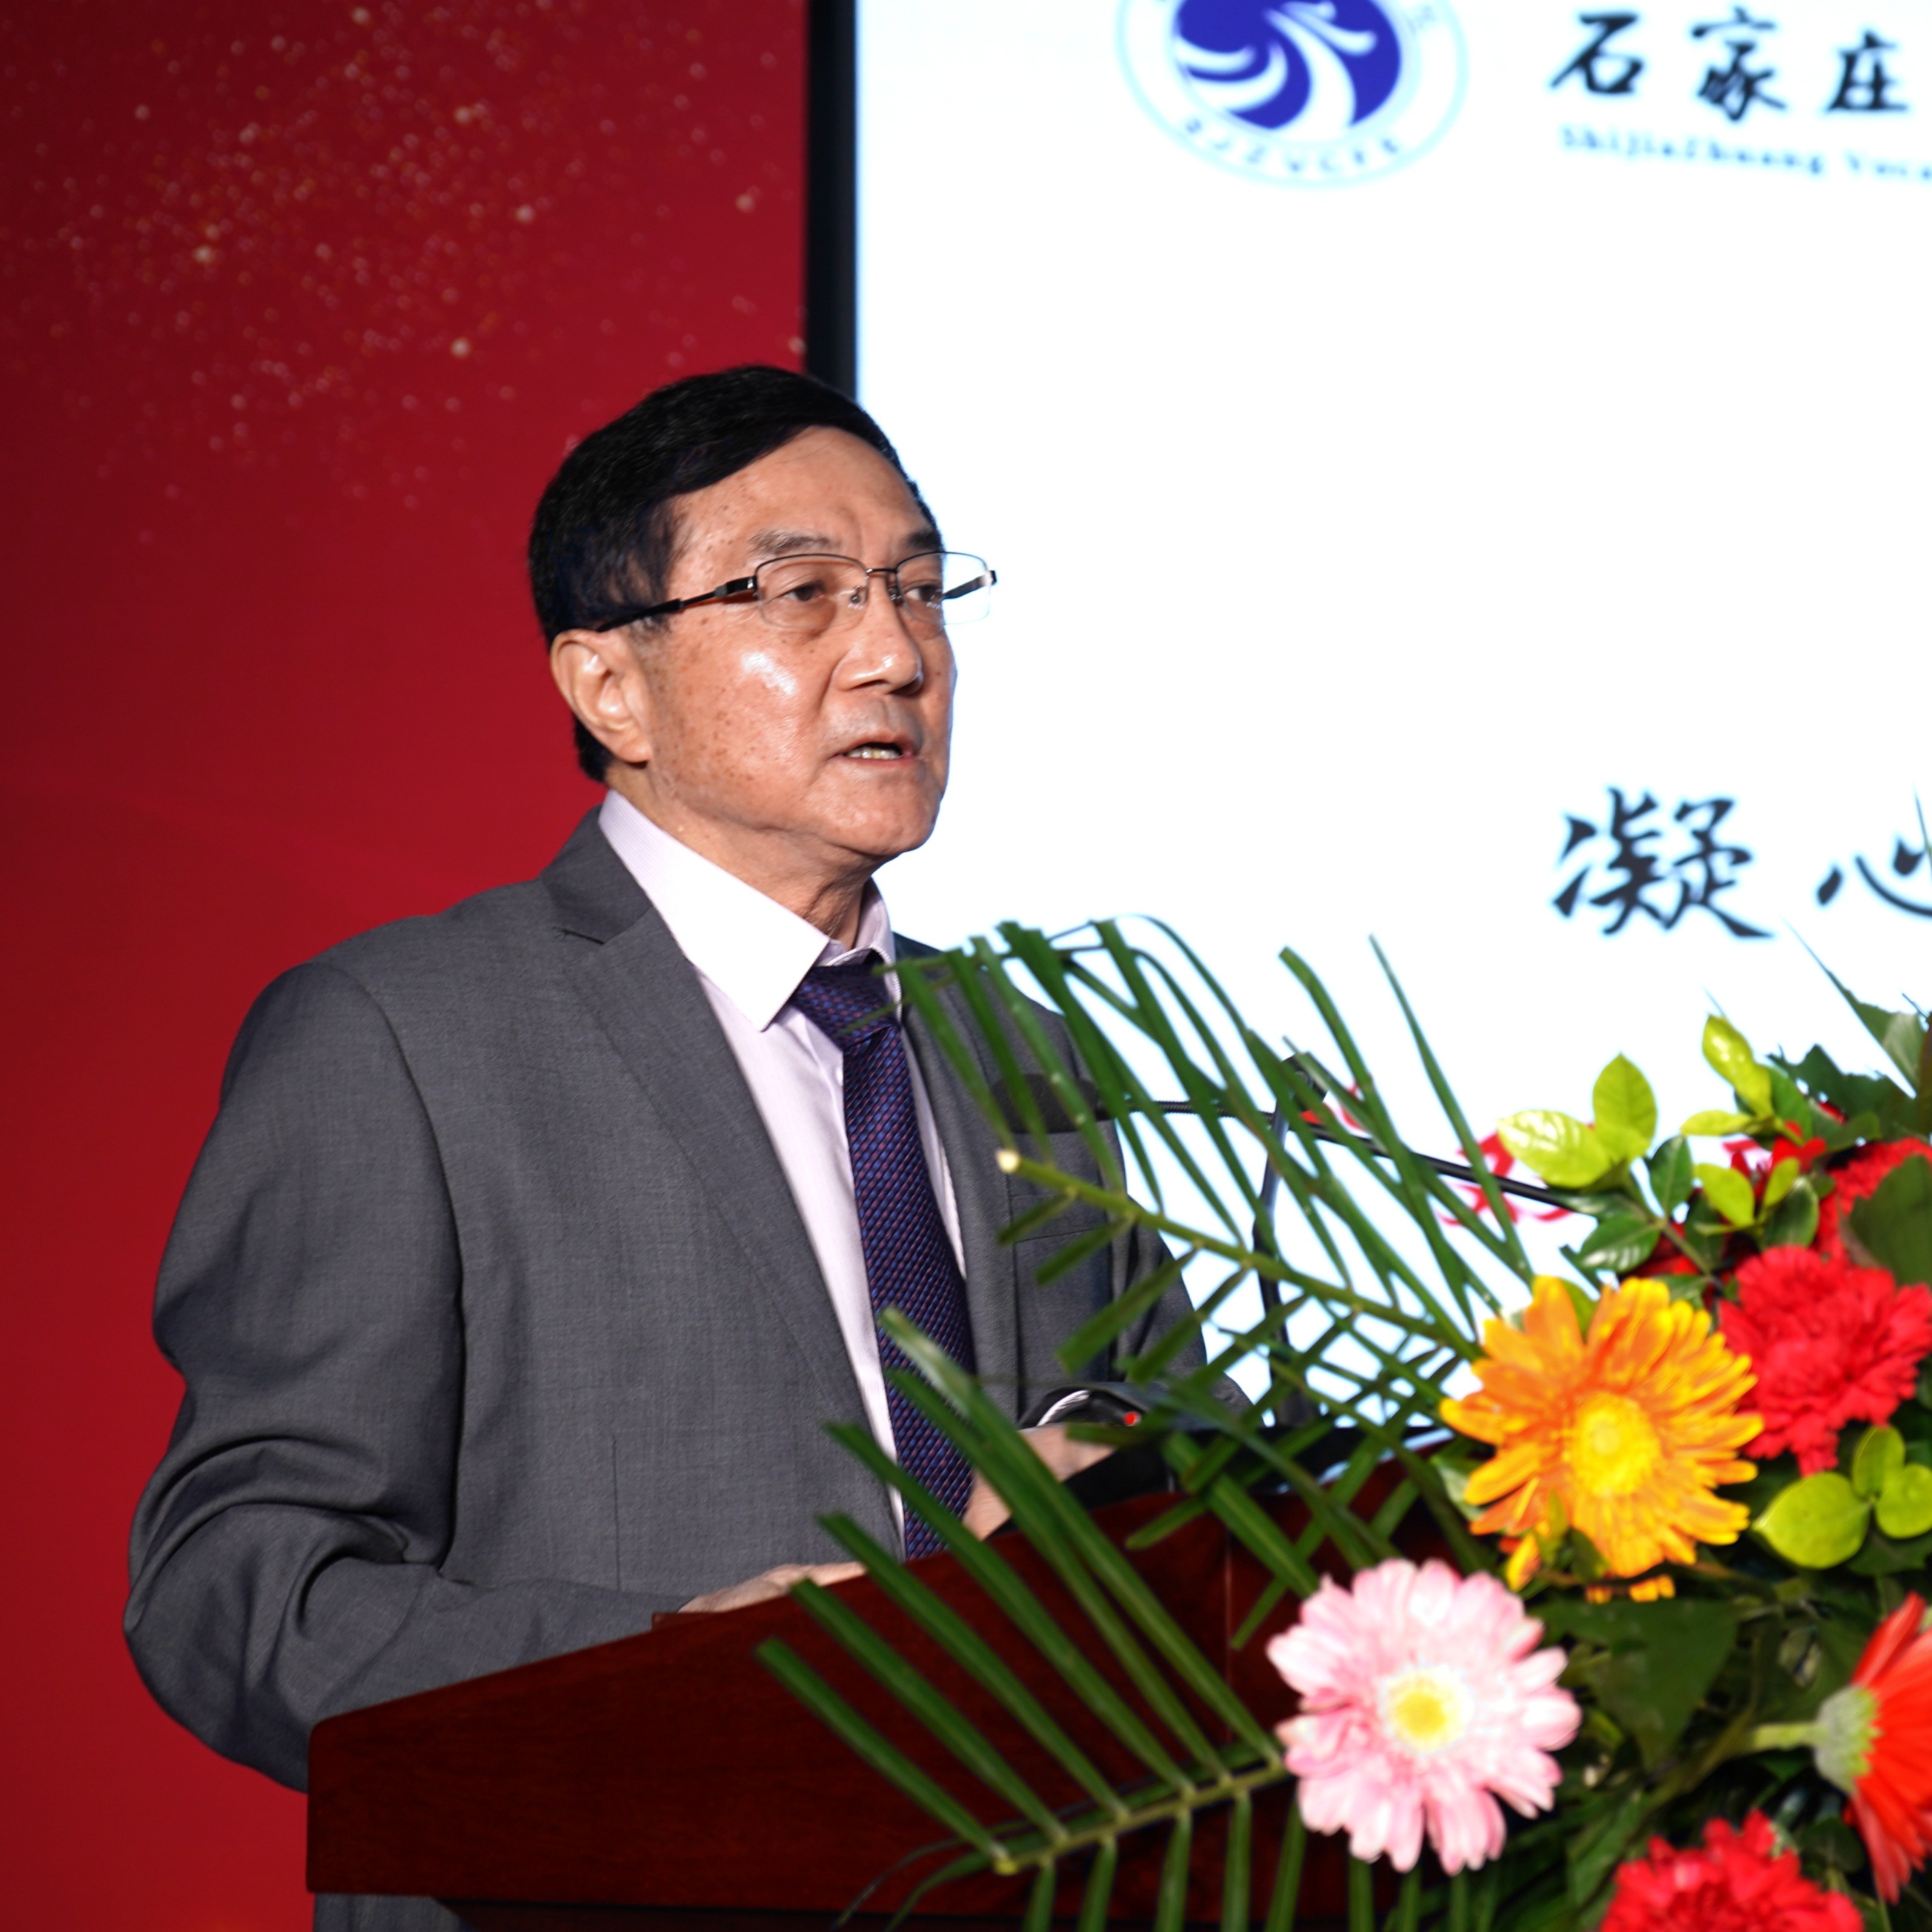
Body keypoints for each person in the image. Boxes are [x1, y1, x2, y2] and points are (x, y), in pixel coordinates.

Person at [125, 366, 1200, 1932]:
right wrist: (669, 1668)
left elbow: (1183, 1464)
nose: (895, 653)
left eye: (917, 587)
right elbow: (241, 1590)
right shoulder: (399, 1036)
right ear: (607, 687)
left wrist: (1114, 1466)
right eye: (803, 593)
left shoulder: (1029, 1052)